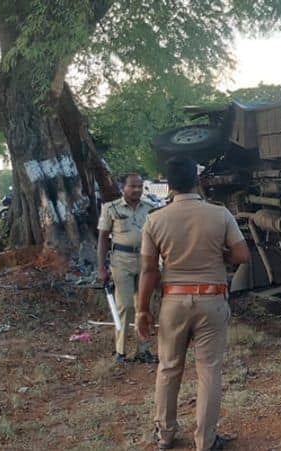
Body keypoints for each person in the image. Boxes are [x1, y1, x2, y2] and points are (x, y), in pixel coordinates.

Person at [136, 156, 250, 450]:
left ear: (168, 185)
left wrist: (142, 310)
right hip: (211, 299)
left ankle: (165, 435)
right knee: (209, 370)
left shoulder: (155, 219)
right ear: (197, 181)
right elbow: (241, 255)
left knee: (168, 368)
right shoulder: (219, 214)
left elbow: (149, 269)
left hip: (173, 301)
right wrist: (220, 256)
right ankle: (205, 441)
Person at [96, 173, 157, 364]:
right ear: (124, 187)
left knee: (145, 305)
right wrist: (101, 268)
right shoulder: (110, 208)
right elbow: (103, 239)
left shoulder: (150, 208)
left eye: (140, 186)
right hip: (121, 261)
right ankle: (120, 352)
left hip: (145, 260)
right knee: (125, 306)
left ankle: (143, 350)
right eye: (133, 186)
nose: (137, 190)